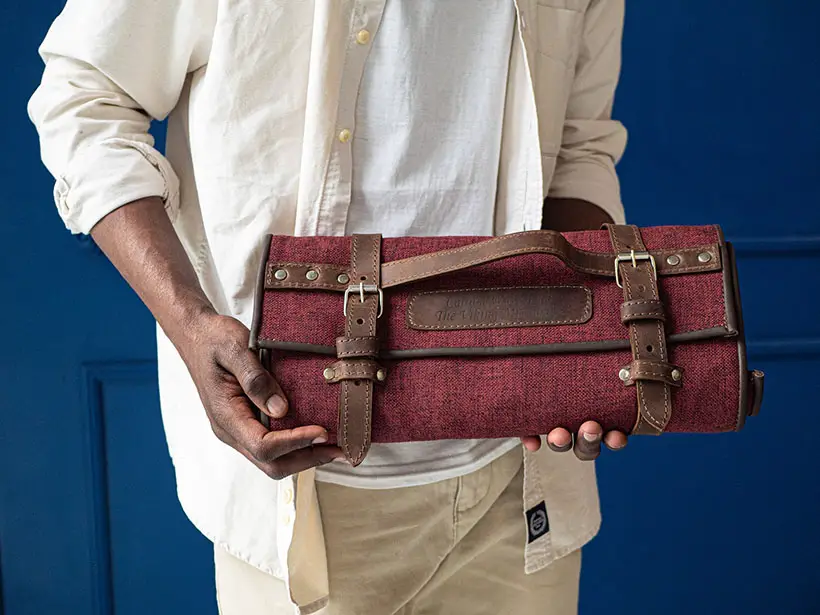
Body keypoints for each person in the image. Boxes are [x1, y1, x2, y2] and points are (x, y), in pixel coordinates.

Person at [29, 1, 629, 613]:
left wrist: (583, 349)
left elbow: (578, 153)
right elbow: (84, 101)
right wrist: (189, 325)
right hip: (301, 475)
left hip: (519, 477)